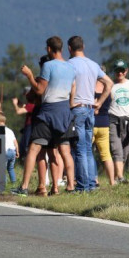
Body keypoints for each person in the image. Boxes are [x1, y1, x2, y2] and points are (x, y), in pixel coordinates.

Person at [15, 36, 76, 196]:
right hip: (64, 111)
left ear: (49, 48)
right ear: (61, 48)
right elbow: (73, 90)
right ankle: (70, 186)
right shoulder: (70, 67)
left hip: (48, 111)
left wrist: (29, 75)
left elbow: (40, 90)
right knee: (64, 151)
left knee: (34, 149)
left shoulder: (48, 66)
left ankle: (24, 187)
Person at [67, 36, 113, 192]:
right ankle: (92, 184)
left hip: (77, 108)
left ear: (69, 48)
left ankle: (82, 186)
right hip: (90, 109)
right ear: (83, 46)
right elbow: (109, 83)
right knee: (88, 148)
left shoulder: (70, 65)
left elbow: (70, 85)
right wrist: (99, 102)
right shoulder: (94, 65)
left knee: (79, 149)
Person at [92, 74, 114, 186]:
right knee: (106, 154)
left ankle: (94, 179)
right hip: (104, 124)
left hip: (92, 124)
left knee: (88, 152)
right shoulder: (108, 89)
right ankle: (112, 181)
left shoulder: (91, 88)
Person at [0, 112, 19, 184]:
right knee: (10, 168)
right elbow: (15, 142)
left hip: (4, 152)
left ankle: (4, 183)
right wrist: (17, 151)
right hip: (12, 152)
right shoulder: (10, 130)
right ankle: (14, 183)